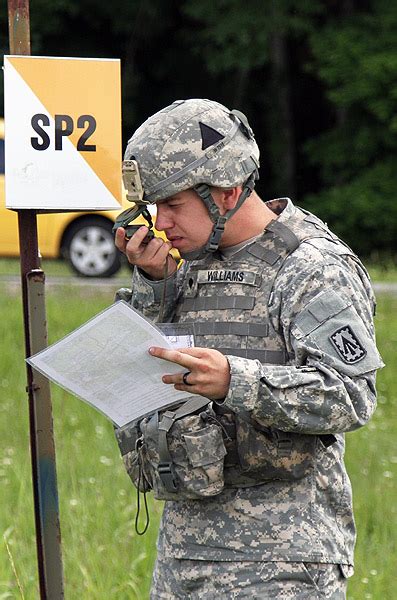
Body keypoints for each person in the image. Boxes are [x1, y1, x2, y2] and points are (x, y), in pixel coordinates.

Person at [114, 99, 384, 599]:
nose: (161, 222)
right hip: (185, 551)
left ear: (227, 192)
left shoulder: (311, 267)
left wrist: (235, 380)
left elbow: (351, 394)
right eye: (154, 208)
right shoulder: (184, 262)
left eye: (172, 205)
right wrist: (155, 287)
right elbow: (147, 373)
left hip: (282, 557)